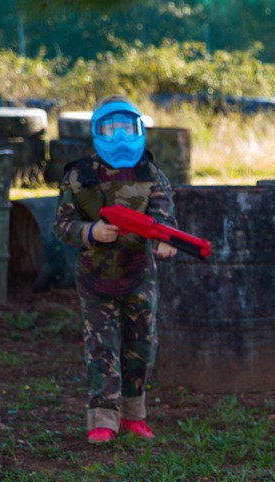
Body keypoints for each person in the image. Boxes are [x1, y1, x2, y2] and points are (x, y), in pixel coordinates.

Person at [53, 95, 177, 444]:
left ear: (139, 130)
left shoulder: (150, 174)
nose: (121, 137)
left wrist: (164, 241)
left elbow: (164, 218)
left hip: (139, 275)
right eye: (112, 129)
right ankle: (102, 419)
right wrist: (90, 231)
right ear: (98, 132)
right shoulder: (79, 175)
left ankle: (133, 417)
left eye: (127, 128)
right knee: (101, 350)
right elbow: (61, 226)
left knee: (141, 347)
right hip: (95, 277)